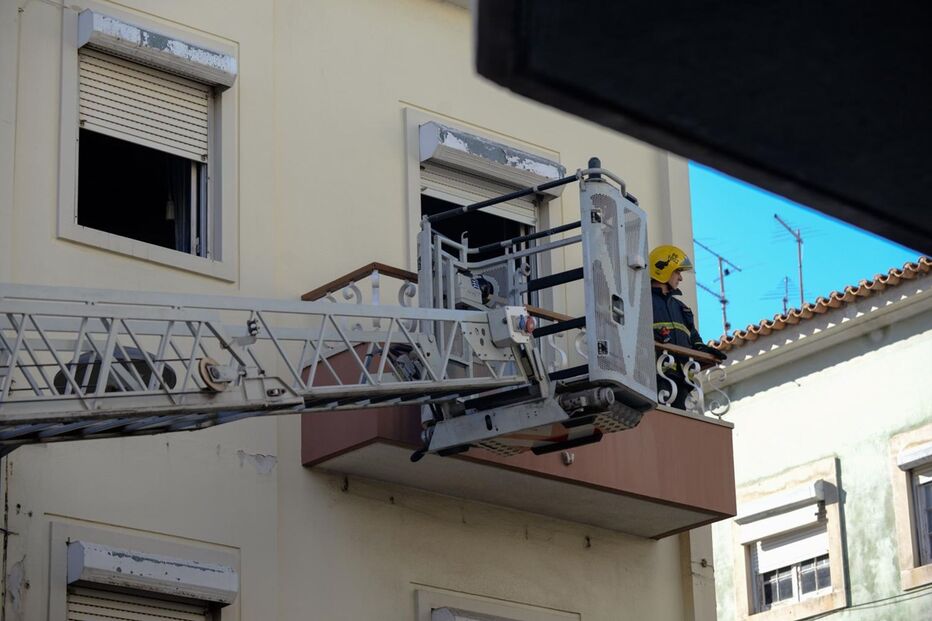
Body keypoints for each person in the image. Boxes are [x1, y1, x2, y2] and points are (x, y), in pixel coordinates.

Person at [649, 244, 726, 409]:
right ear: (663, 270)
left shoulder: (681, 308)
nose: (681, 278)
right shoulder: (643, 302)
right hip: (655, 378)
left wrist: (705, 350)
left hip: (682, 380)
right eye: (677, 272)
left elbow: (693, 338)